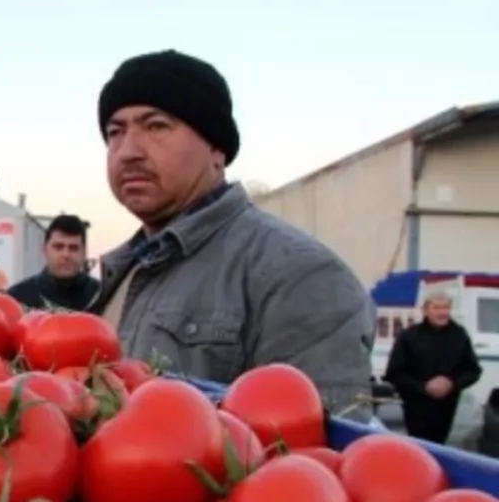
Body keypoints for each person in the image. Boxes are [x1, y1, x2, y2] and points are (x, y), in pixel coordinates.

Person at [93, 49, 375, 415]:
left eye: (156, 126)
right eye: (115, 132)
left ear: (217, 149)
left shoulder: (300, 275)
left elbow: (312, 453)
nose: (128, 151)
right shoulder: (125, 270)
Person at [384, 290, 481, 443]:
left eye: (446, 307)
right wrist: (423, 387)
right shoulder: (409, 336)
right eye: (437, 307)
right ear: (425, 310)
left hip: (448, 408)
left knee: (442, 446)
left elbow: (473, 370)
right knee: (419, 446)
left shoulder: (459, 335)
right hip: (416, 407)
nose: (442, 312)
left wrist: (452, 384)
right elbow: (394, 373)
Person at [7, 215, 102, 312]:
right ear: (44, 249)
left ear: (84, 252)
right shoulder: (18, 298)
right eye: (58, 247)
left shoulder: (102, 297)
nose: (66, 254)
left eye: (73, 248)